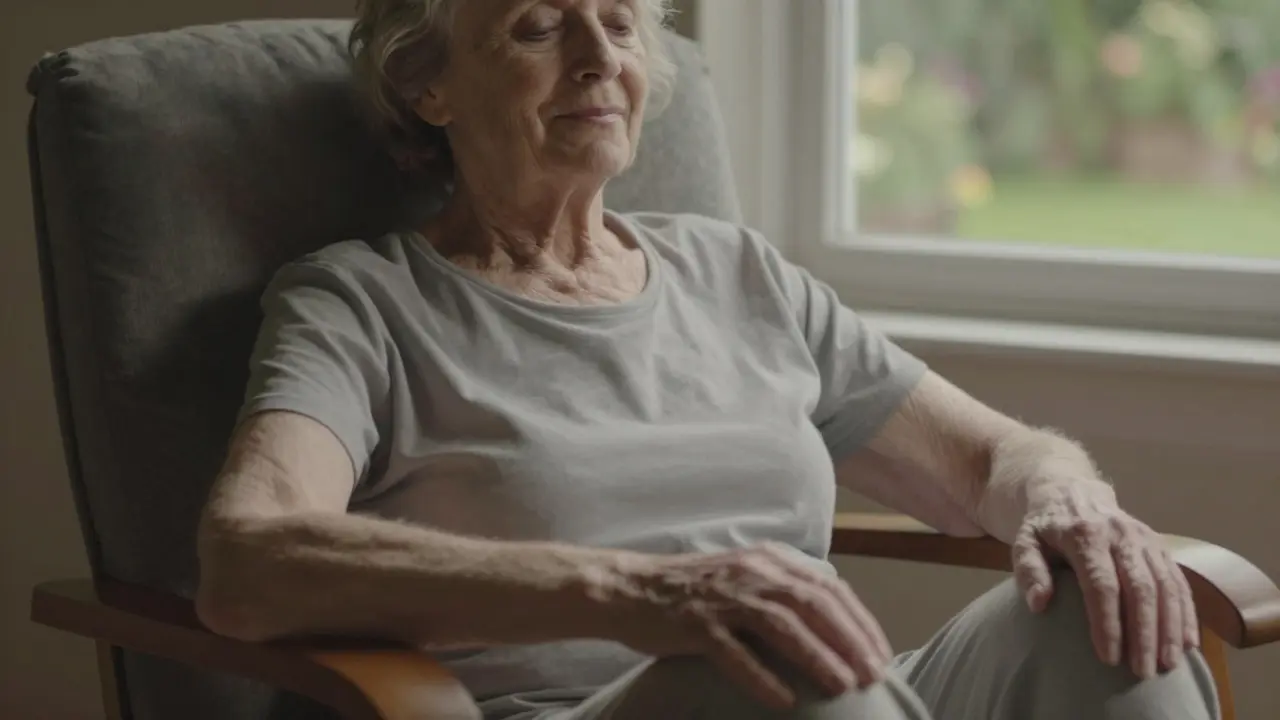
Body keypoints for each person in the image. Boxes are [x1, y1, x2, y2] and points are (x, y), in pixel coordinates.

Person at [194, 1, 1220, 718]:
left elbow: (986, 461)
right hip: (604, 707)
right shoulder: (362, 303)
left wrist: (1065, 501)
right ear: (429, 87)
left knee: (1105, 598)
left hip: (828, 696)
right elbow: (248, 558)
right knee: (774, 644)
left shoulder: (734, 274)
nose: (599, 57)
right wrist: (647, 596)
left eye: (621, 21)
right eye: (539, 27)